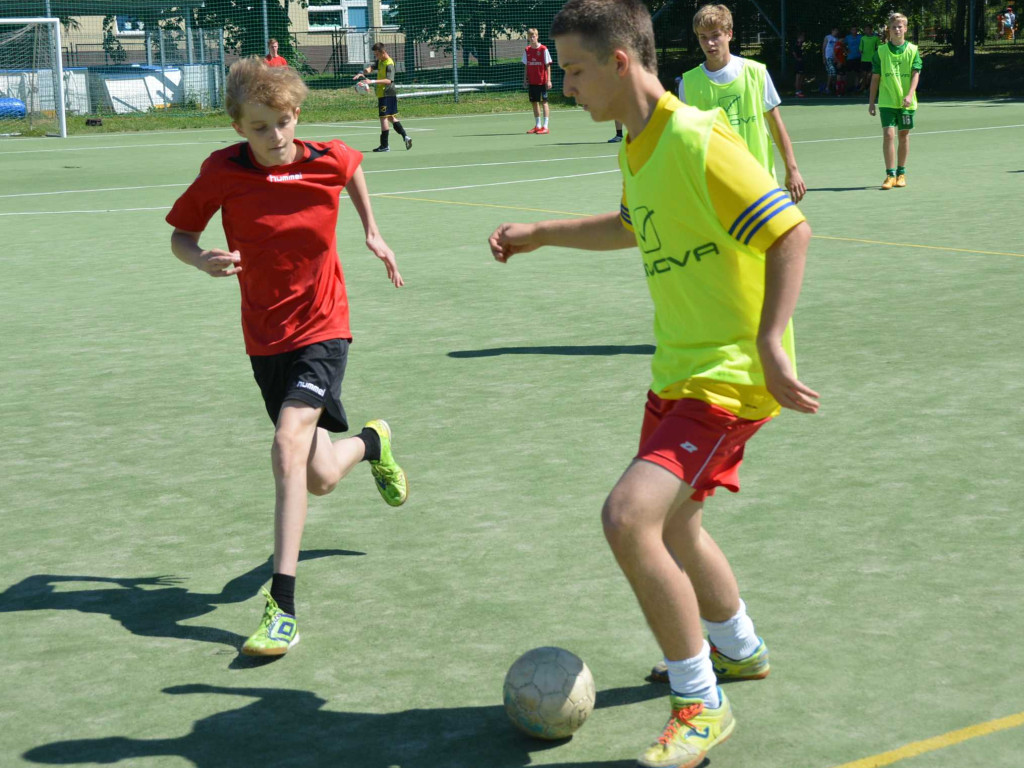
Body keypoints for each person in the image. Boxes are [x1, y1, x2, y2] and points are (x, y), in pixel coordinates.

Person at [488, 1, 819, 766]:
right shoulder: (637, 147)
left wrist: (771, 342)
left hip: (728, 380)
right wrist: (543, 234)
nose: (563, 84)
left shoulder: (698, 137)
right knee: (676, 526)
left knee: (627, 519)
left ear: (619, 64)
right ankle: (740, 647)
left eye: (572, 70)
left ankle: (701, 702)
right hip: (678, 374)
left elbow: (789, 232)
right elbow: (640, 224)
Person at [166, 57, 409, 657]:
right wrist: (200, 260)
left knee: (285, 444)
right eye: (258, 127)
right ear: (237, 126)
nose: (273, 138)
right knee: (320, 475)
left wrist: (371, 231)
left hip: (325, 327)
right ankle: (372, 442)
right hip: (264, 336)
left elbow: (352, 168)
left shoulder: (325, 157)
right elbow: (181, 235)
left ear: (296, 114)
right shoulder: (222, 172)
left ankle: (282, 606)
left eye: (281, 122)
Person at [679, 4, 806, 203]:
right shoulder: (688, 83)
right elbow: (687, 139)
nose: (709, 43)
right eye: (703, 37)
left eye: (715, 35)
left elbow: (775, 123)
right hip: (714, 185)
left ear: (729, 34)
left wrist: (792, 170)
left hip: (759, 181)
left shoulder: (756, 72)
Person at [868, 12, 922, 189]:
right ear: (889, 30)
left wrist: (909, 94)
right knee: (888, 135)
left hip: (907, 102)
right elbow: (875, 78)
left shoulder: (913, 50)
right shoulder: (881, 52)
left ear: (905, 28)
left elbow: (916, 75)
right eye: (894, 27)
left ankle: (901, 173)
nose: (897, 29)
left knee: (903, 135)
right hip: (886, 101)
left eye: (900, 26)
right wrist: (871, 102)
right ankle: (889, 175)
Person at [352, 42, 412, 152]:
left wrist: (372, 81)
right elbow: (371, 68)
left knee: (383, 118)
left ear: (382, 52)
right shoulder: (380, 60)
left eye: (376, 54)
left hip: (387, 93)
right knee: (390, 117)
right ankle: (406, 137)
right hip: (384, 93)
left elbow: (389, 80)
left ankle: (384, 146)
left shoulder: (389, 63)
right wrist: (362, 72)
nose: (376, 56)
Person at [522, 28, 553, 134]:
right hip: (532, 81)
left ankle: (545, 126)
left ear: (537, 36)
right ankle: (538, 125)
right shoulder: (527, 50)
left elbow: (548, 65)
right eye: (530, 36)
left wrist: (548, 80)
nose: (532, 37)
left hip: (542, 81)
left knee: (544, 102)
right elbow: (526, 66)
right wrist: (525, 79)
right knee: (534, 103)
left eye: (534, 35)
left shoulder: (543, 49)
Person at [858, 24, 881, 93]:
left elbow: (879, 48)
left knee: (870, 76)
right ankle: (863, 87)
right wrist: (861, 52)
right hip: (864, 60)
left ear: (871, 30)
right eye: (865, 29)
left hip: (873, 60)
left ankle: (870, 89)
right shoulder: (863, 38)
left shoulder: (876, 38)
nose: (866, 31)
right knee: (864, 75)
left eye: (868, 29)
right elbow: (860, 49)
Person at [822, 26, 840, 94]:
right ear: (832, 30)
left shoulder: (837, 39)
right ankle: (828, 87)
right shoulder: (827, 37)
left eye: (837, 31)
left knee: (831, 73)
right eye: (835, 30)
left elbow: (838, 50)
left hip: (834, 58)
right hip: (828, 57)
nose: (836, 32)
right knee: (832, 71)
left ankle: (830, 88)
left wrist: (837, 59)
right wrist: (823, 57)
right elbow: (823, 47)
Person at [844, 25, 862, 91]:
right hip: (850, 57)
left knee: (857, 73)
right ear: (851, 31)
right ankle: (845, 87)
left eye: (855, 30)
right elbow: (842, 44)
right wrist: (846, 51)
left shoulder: (860, 37)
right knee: (848, 73)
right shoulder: (848, 37)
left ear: (857, 31)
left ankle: (856, 86)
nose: (854, 31)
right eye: (853, 30)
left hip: (858, 57)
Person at [791, 31, 806, 97]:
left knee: (801, 77)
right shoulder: (796, 44)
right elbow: (793, 52)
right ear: (799, 37)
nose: (804, 38)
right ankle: (797, 92)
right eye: (803, 37)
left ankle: (799, 90)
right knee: (798, 77)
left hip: (801, 63)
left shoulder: (801, 45)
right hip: (798, 63)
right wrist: (797, 59)